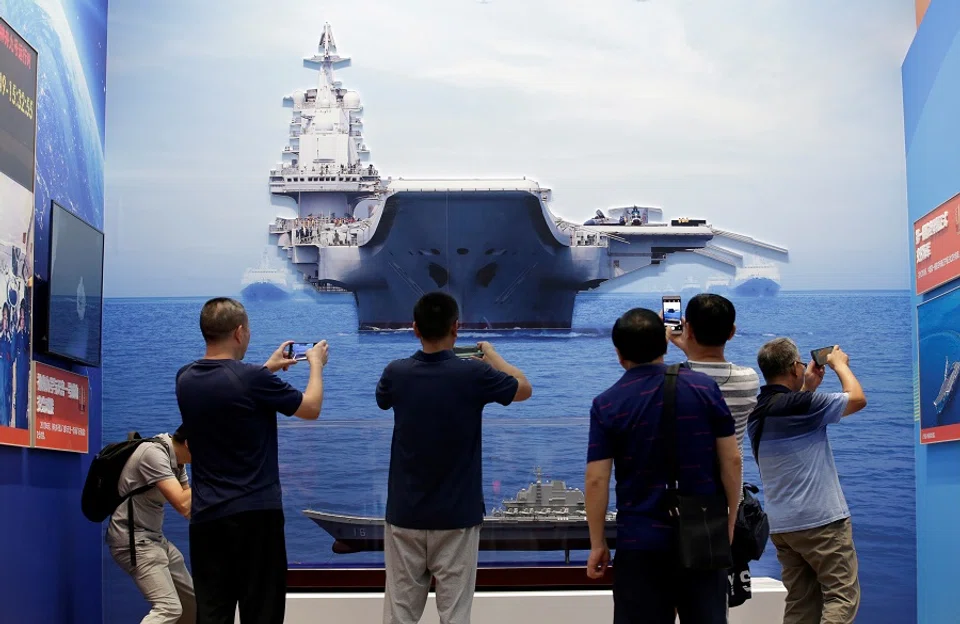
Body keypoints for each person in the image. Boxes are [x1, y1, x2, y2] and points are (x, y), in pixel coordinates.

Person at [375, 291, 532, 624]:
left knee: (399, 614)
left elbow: (383, 399)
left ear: (415, 328)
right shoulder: (474, 375)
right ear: (456, 328)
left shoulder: (396, 372)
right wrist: (491, 356)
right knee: (456, 616)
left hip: (405, 513)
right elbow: (523, 387)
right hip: (457, 516)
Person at [175, 297, 328, 624]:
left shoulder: (184, 378)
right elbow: (311, 408)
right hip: (255, 517)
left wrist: (268, 368)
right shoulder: (252, 380)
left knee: (213, 613)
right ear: (240, 332)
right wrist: (315, 363)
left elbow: (226, 385)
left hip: (206, 519)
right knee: (262, 612)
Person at [585, 308, 741, 624]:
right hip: (702, 534)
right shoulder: (703, 388)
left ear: (618, 353)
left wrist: (598, 542)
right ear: (666, 344)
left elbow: (597, 480)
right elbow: (732, 459)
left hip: (639, 540)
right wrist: (731, 518)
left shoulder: (607, 403)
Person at [748, 339, 867, 624]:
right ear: (793, 368)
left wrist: (806, 386)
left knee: (801, 604)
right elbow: (857, 398)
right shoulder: (803, 406)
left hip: (783, 526)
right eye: (801, 363)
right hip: (820, 521)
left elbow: (790, 407)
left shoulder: (756, 411)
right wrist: (840, 365)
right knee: (841, 596)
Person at [107, 427, 195, 624]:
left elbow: (190, 509)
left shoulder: (178, 463)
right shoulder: (153, 454)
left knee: (191, 602)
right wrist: (212, 474)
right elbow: (182, 503)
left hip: (154, 539)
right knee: (169, 608)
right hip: (132, 541)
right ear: (190, 444)